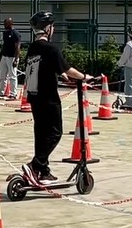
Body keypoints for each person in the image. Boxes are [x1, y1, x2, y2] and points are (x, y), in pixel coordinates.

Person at [22, 11, 89, 185]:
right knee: (54, 133)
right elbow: (67, 69)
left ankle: (43, 172)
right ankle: (35, 165)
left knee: (41, 133)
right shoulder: (50, 48)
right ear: (48, 28)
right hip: (48, 97)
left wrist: (61, 75)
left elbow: (46, 68)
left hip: (34, 96)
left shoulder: (33, 48)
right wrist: (84, 77)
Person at [0, 17, 22, 100]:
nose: (4, 25)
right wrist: (0, 55)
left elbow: (18, 47)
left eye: (6, 23)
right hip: (4, 56)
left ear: (10, 23)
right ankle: (1, 92)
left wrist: (16, 59)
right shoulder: (5, 33)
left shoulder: (15, 33)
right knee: (2, 75)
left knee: (12, 76)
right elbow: (4, 45)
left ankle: (13, 94)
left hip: (12, 57)